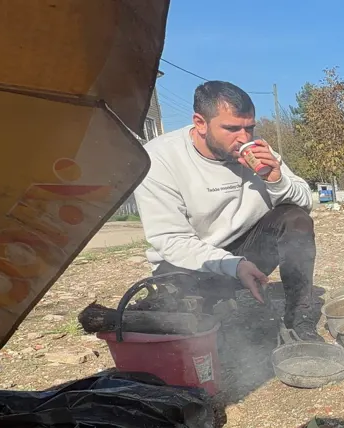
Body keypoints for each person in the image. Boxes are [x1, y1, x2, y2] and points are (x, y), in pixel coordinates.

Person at [135, 81, 318, 339]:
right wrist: (233, 265)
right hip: (192, 266)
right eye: (232, 129)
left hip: (248, 254)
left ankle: (300, 322)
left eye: (249, 128)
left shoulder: (259, 151)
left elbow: (304, 204)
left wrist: (276, 180)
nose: (244, 138)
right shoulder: (159, 159)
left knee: (295, 219)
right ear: (200, 123)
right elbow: (171, 240)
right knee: (192, 331)